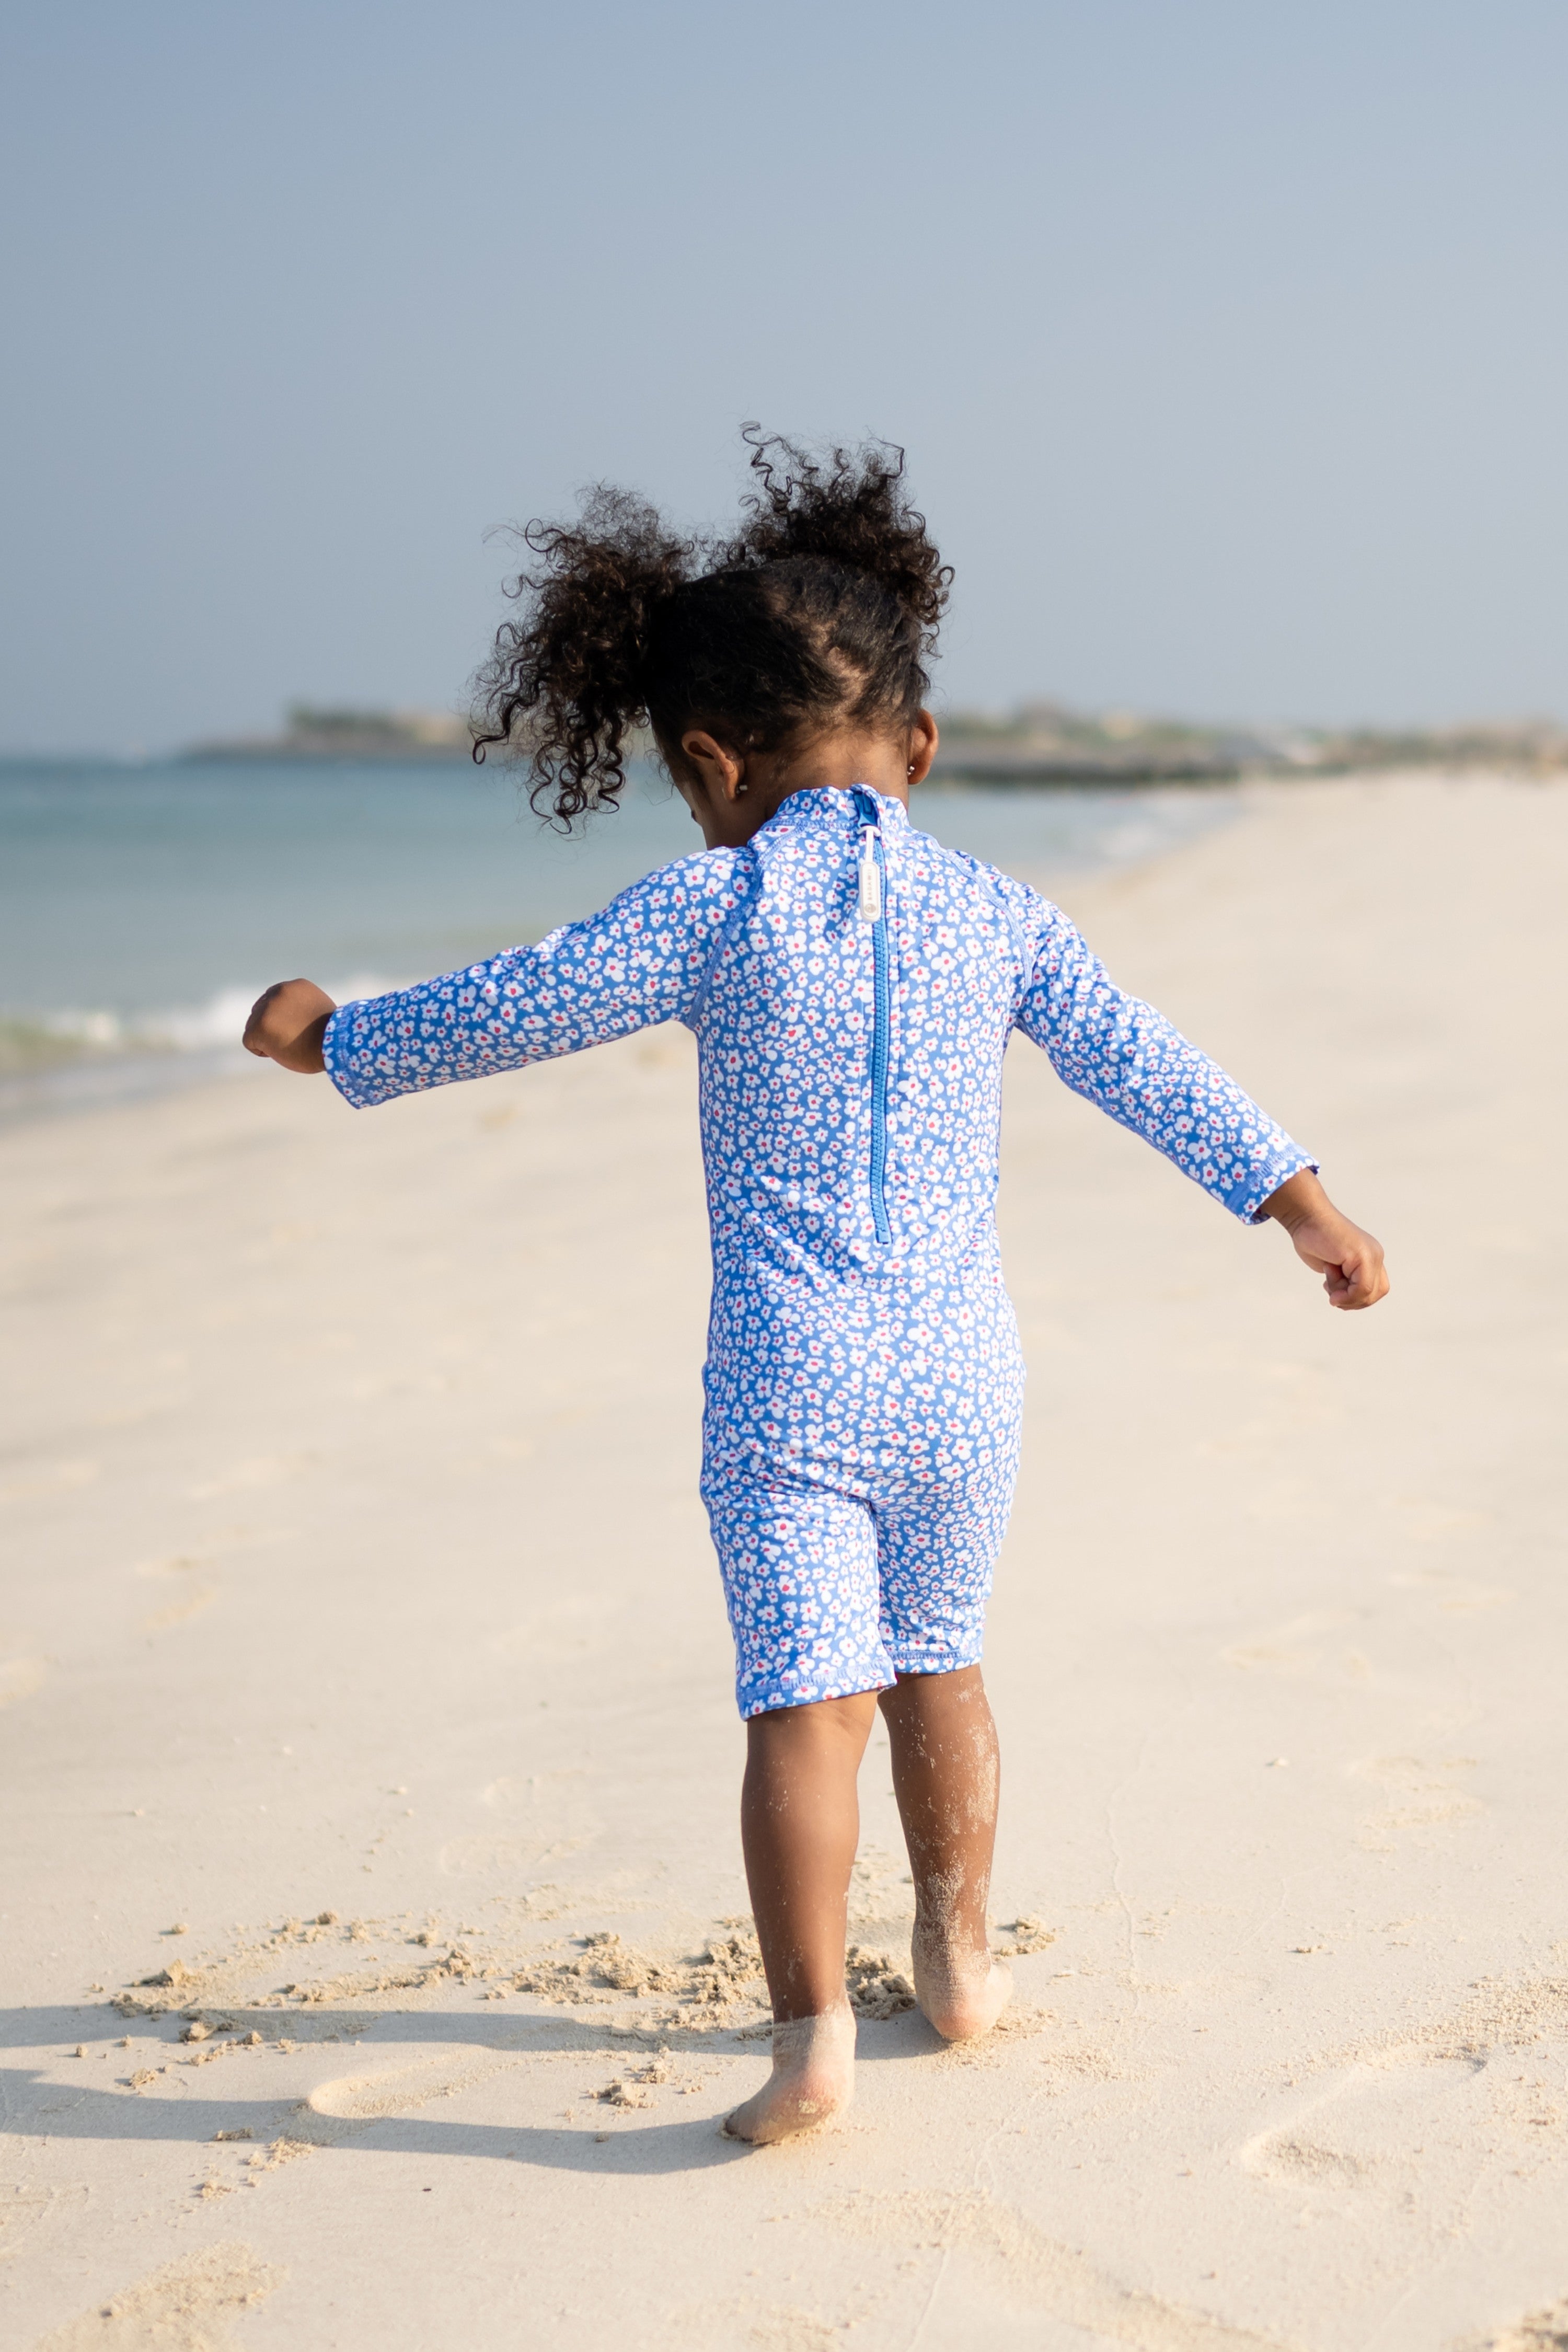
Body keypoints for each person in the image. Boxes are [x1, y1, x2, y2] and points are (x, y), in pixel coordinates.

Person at [244, 431, 1389, 2145]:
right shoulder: (999, 911)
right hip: (962, 1374)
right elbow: (1146, 1064)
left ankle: (806, 2049)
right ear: (919, 743)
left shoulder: (711, 905)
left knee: (805, 1703)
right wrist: (1301, 1200)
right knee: (943, 1669)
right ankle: (963, 1965)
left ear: (708, 764)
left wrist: (339, 1039)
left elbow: (519, 1001)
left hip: (789, 1378)